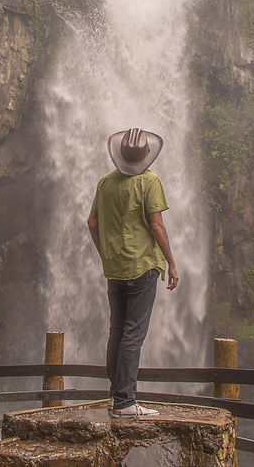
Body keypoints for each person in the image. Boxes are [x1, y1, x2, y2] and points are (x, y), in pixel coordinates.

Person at [87, 127, 179, 418]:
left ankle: (115, 397)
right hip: (142, 266)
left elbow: (92, 222)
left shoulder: (104, 183)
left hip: (115, 268)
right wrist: (171, 262)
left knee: (117, 331)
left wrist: (106, 253)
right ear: (146, 156)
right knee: (133, 333)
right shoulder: (149, 182)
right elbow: (156, 226)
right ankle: (126, 401)